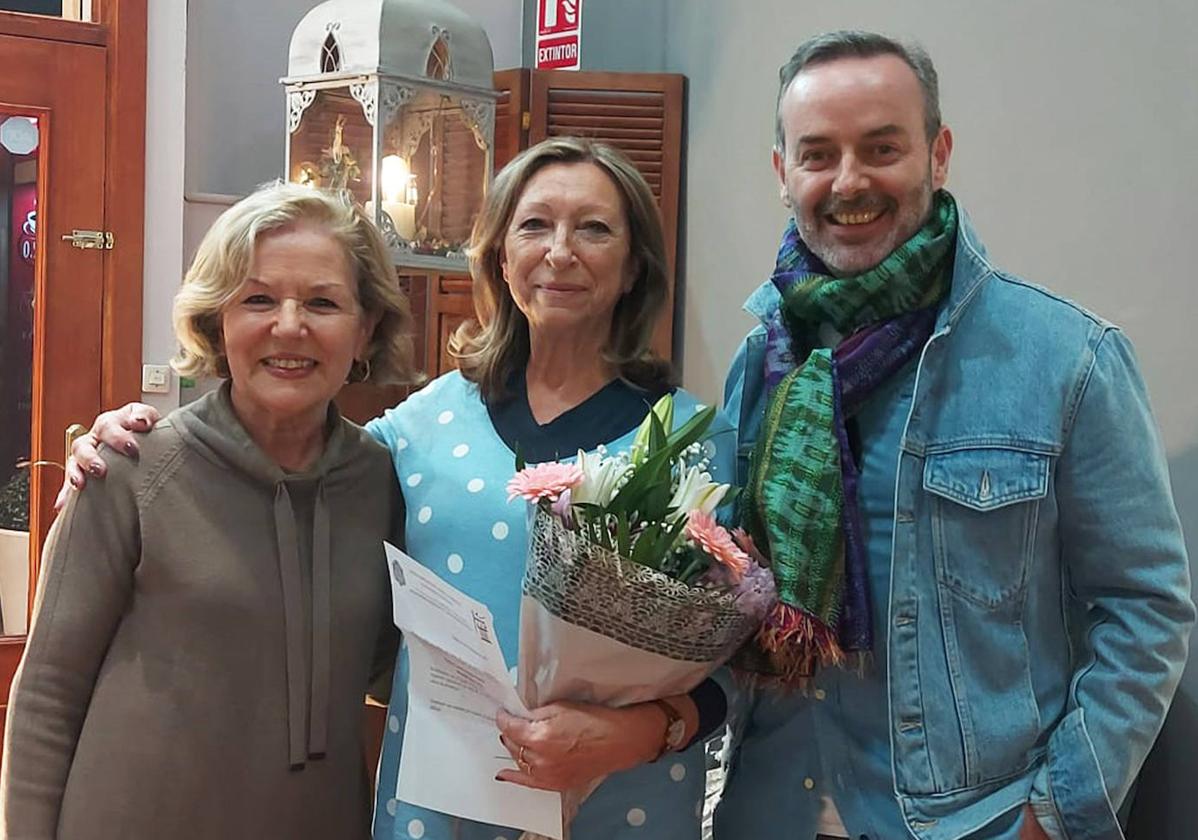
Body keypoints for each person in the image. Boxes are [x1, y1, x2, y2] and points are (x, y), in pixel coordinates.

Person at [59, 138, 736, 840]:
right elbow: (278, 470)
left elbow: (737, 658)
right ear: (501, 256)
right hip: (439, 814)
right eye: (534, 225)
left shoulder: (694, 443)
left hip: (624, 806)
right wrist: (135, 440)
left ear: (634, 266)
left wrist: (638, 732)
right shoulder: (417, 429)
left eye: (594, 228)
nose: (560, 251)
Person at [714, 31, 1194, 840]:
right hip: (775, 808)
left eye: (882, 148)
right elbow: (728, 593)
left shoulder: (1068, 359)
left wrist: (1051, 816)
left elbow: (1145, 609)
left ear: (938, 153)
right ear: (782, 172)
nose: (849, 181)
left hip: (974, 821)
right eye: (818, 154)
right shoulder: (760, 362)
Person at [0, 183, 416, 838]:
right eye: (257, 298)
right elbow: (47, 698)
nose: (288, 325)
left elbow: (405, 671)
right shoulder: (127, 471)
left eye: (322, 302)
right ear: (218, 320)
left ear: (365, 329)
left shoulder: (385, 484)